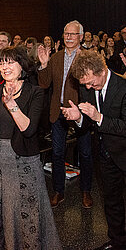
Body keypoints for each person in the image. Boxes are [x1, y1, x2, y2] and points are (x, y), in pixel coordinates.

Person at [0, 46, 61, 250]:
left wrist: (12, 104)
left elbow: (29, 129)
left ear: (22, 65)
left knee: (25, 210)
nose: (5, 67)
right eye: (2, 62)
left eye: (10, 62)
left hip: (23, 161)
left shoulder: (35, 92)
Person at [61, 50, 126, 250]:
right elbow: (88, 123)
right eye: (85, 84)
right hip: (105, 155)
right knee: (112, 203)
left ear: (101, 70)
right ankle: (118, 242)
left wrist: (99, 118)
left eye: (90, 82)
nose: (88, 87)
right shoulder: (88, 87)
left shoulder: (123, 87)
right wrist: (78, 118)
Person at [37, 20, 93, 209]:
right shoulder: (56, 57)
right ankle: (59, 191)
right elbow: (44, 84)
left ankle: (86, 191)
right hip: (58, 111)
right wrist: (44, 64)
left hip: (80, 113)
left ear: (81, 37)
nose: (69, 37)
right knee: (58, 153)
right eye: (66, 34)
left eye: (73, 34)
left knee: (85, 153)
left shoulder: (88, 57)